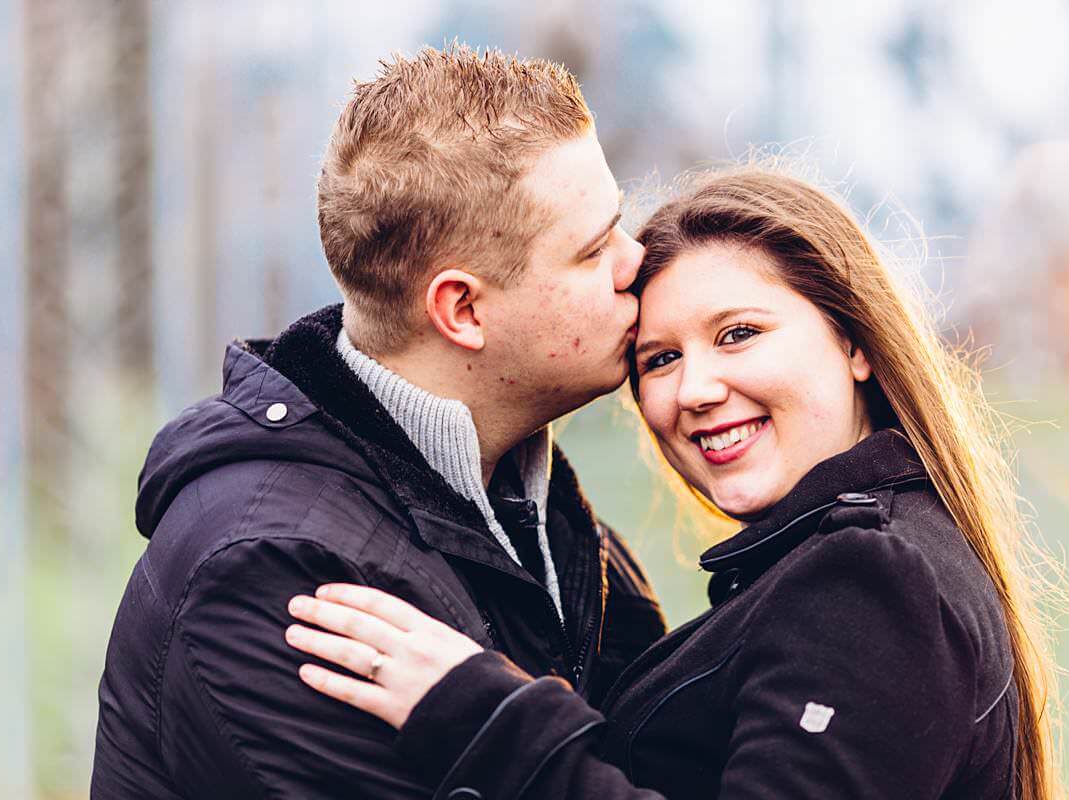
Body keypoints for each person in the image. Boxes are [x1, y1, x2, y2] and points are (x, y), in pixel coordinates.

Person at [284, 166, 1067, 799]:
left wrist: (490, 722)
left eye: (739, 334)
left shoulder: (871, 581)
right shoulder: (844, 557)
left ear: (854, 344)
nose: (694, 389)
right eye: (660, 359)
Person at [91, 45, 667, 799]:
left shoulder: (527, 500)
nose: (638, 259)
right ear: (461, 309)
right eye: (594, 250)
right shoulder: (277, 577)